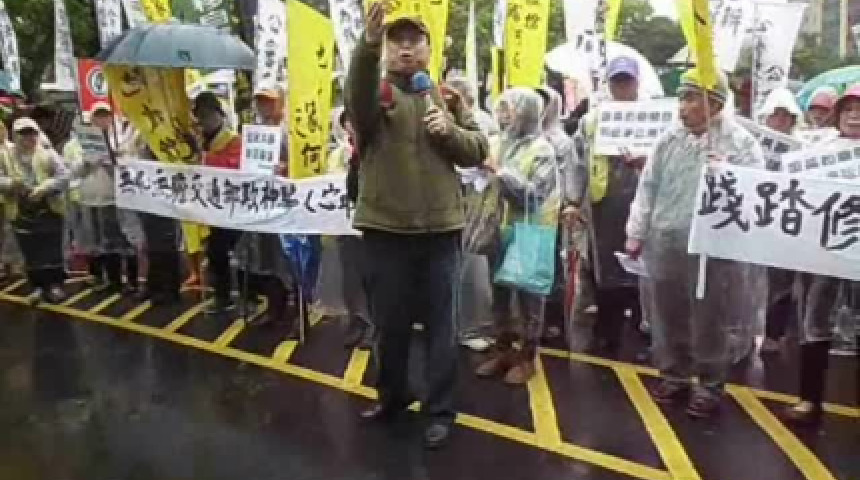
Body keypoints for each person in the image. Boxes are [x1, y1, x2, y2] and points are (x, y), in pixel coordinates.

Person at [346, 2, 488, 449]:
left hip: (441, 233)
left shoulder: (446, 98)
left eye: (414, 42)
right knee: (389, 327)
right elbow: (357, 100)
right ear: (386, 49)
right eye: (397, 42)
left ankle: (440, 411)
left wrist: (450, 130)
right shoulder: (376, 95)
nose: (406, 49)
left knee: (442, 329)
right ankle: (392, 398)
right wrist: (367, 46)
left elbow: (478, 149)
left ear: (429, 49)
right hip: (385, 232)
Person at [625, 69, 766, 418]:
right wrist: (636, 231)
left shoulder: (739, 143)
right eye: (681, 98)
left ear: (714, 103)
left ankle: (709, 384)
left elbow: (757, 191)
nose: (682, 107)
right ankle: (673, 374)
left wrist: (728, 174)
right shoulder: (669, 139)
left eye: (690, 98)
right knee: (667, 311)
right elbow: (648, 186)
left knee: (710, 317)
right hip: (666, 239)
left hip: (712, 247)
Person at [784, 84, 860, 425]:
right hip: (823, 253)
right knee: (815, 324)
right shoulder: (818, 153)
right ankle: (809, 400)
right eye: (848, 109)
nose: (854, 116)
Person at [475, 87, 557, 384]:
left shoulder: (542, 150)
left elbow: (534, 196)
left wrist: (500, 172)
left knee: (528, 298)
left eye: (509, 108)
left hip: (529, 231)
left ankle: (527, 357)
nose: (503, 115)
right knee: (499, 294)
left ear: (527, 113)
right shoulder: (496, 143)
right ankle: (503, 350)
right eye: (501, 108)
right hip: (498, 230)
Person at [572, 57, 646, 356]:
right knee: (606, 268)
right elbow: (578, 163)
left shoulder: (653, 117)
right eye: (617, 81)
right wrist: (573, 201)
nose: (622, 87)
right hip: (604, 205)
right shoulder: (592, 120)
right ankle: (607, 331)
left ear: (637, 82)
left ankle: (643, 332)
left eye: (627, 80)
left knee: (643, 270)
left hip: (644, 204)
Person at [235, 87, 301, 330]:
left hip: (287, 205)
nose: (264, 107)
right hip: (263, 203)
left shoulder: (290, 131)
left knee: (292, 258)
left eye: (269, 102)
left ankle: (300, 311)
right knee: (268, 259)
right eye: (260, 102)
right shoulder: (256, 131)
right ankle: (276, 308)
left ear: (280, 103)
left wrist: (286, 168)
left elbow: (302, 163)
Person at [316, 106, 374, 348]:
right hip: (345, 225)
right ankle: (356, 320)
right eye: (347, 121)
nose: (351, 125)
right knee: (350, 278)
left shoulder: (376, 149)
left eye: (354, 120)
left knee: (373, 278)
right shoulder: (337, 155)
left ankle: (373, 326)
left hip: (372, 226)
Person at [0, 118, 71, 304]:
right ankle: (38, 286)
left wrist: (45, 188)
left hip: (48, 207)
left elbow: (64, 176)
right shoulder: (4, 156)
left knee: (52, 248)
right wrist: (11, 184)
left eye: (32, 133)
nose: (29, 138)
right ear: (15, 136)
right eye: (24, 134)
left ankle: (54, 285)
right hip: (20, 209)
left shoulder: (48, 154)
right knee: (30, 250)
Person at [71, 107, 140, 294]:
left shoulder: (121, 139)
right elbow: (74, 170)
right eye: (98, 116)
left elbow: (132, 164)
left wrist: (117, 158)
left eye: (106, 116)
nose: (102, 120)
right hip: (91, 199)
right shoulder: (82, 142)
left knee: (126, 240)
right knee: (104, 243)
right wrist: (86, 162)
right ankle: (113, 280)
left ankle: (132, 281)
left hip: (117, 199)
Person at [757, 88, 803, 353]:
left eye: (785, 116)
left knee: (782, 282)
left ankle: (773, 333)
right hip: (755, 222)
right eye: (775, 115)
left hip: (786, 225)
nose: (780, 120)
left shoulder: (802, 151)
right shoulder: (752, 145)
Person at [192, 92, 246, 315]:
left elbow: (234, 167)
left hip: (234, 206)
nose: (205, 120)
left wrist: (205, 158)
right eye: (201, 115)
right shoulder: (199, 140)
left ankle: (247, 297)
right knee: (216, 253)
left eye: (208, 114)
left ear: (219, 114)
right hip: (212, 206)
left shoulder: (233, 140)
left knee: (241, 253)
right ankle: (222, 296)